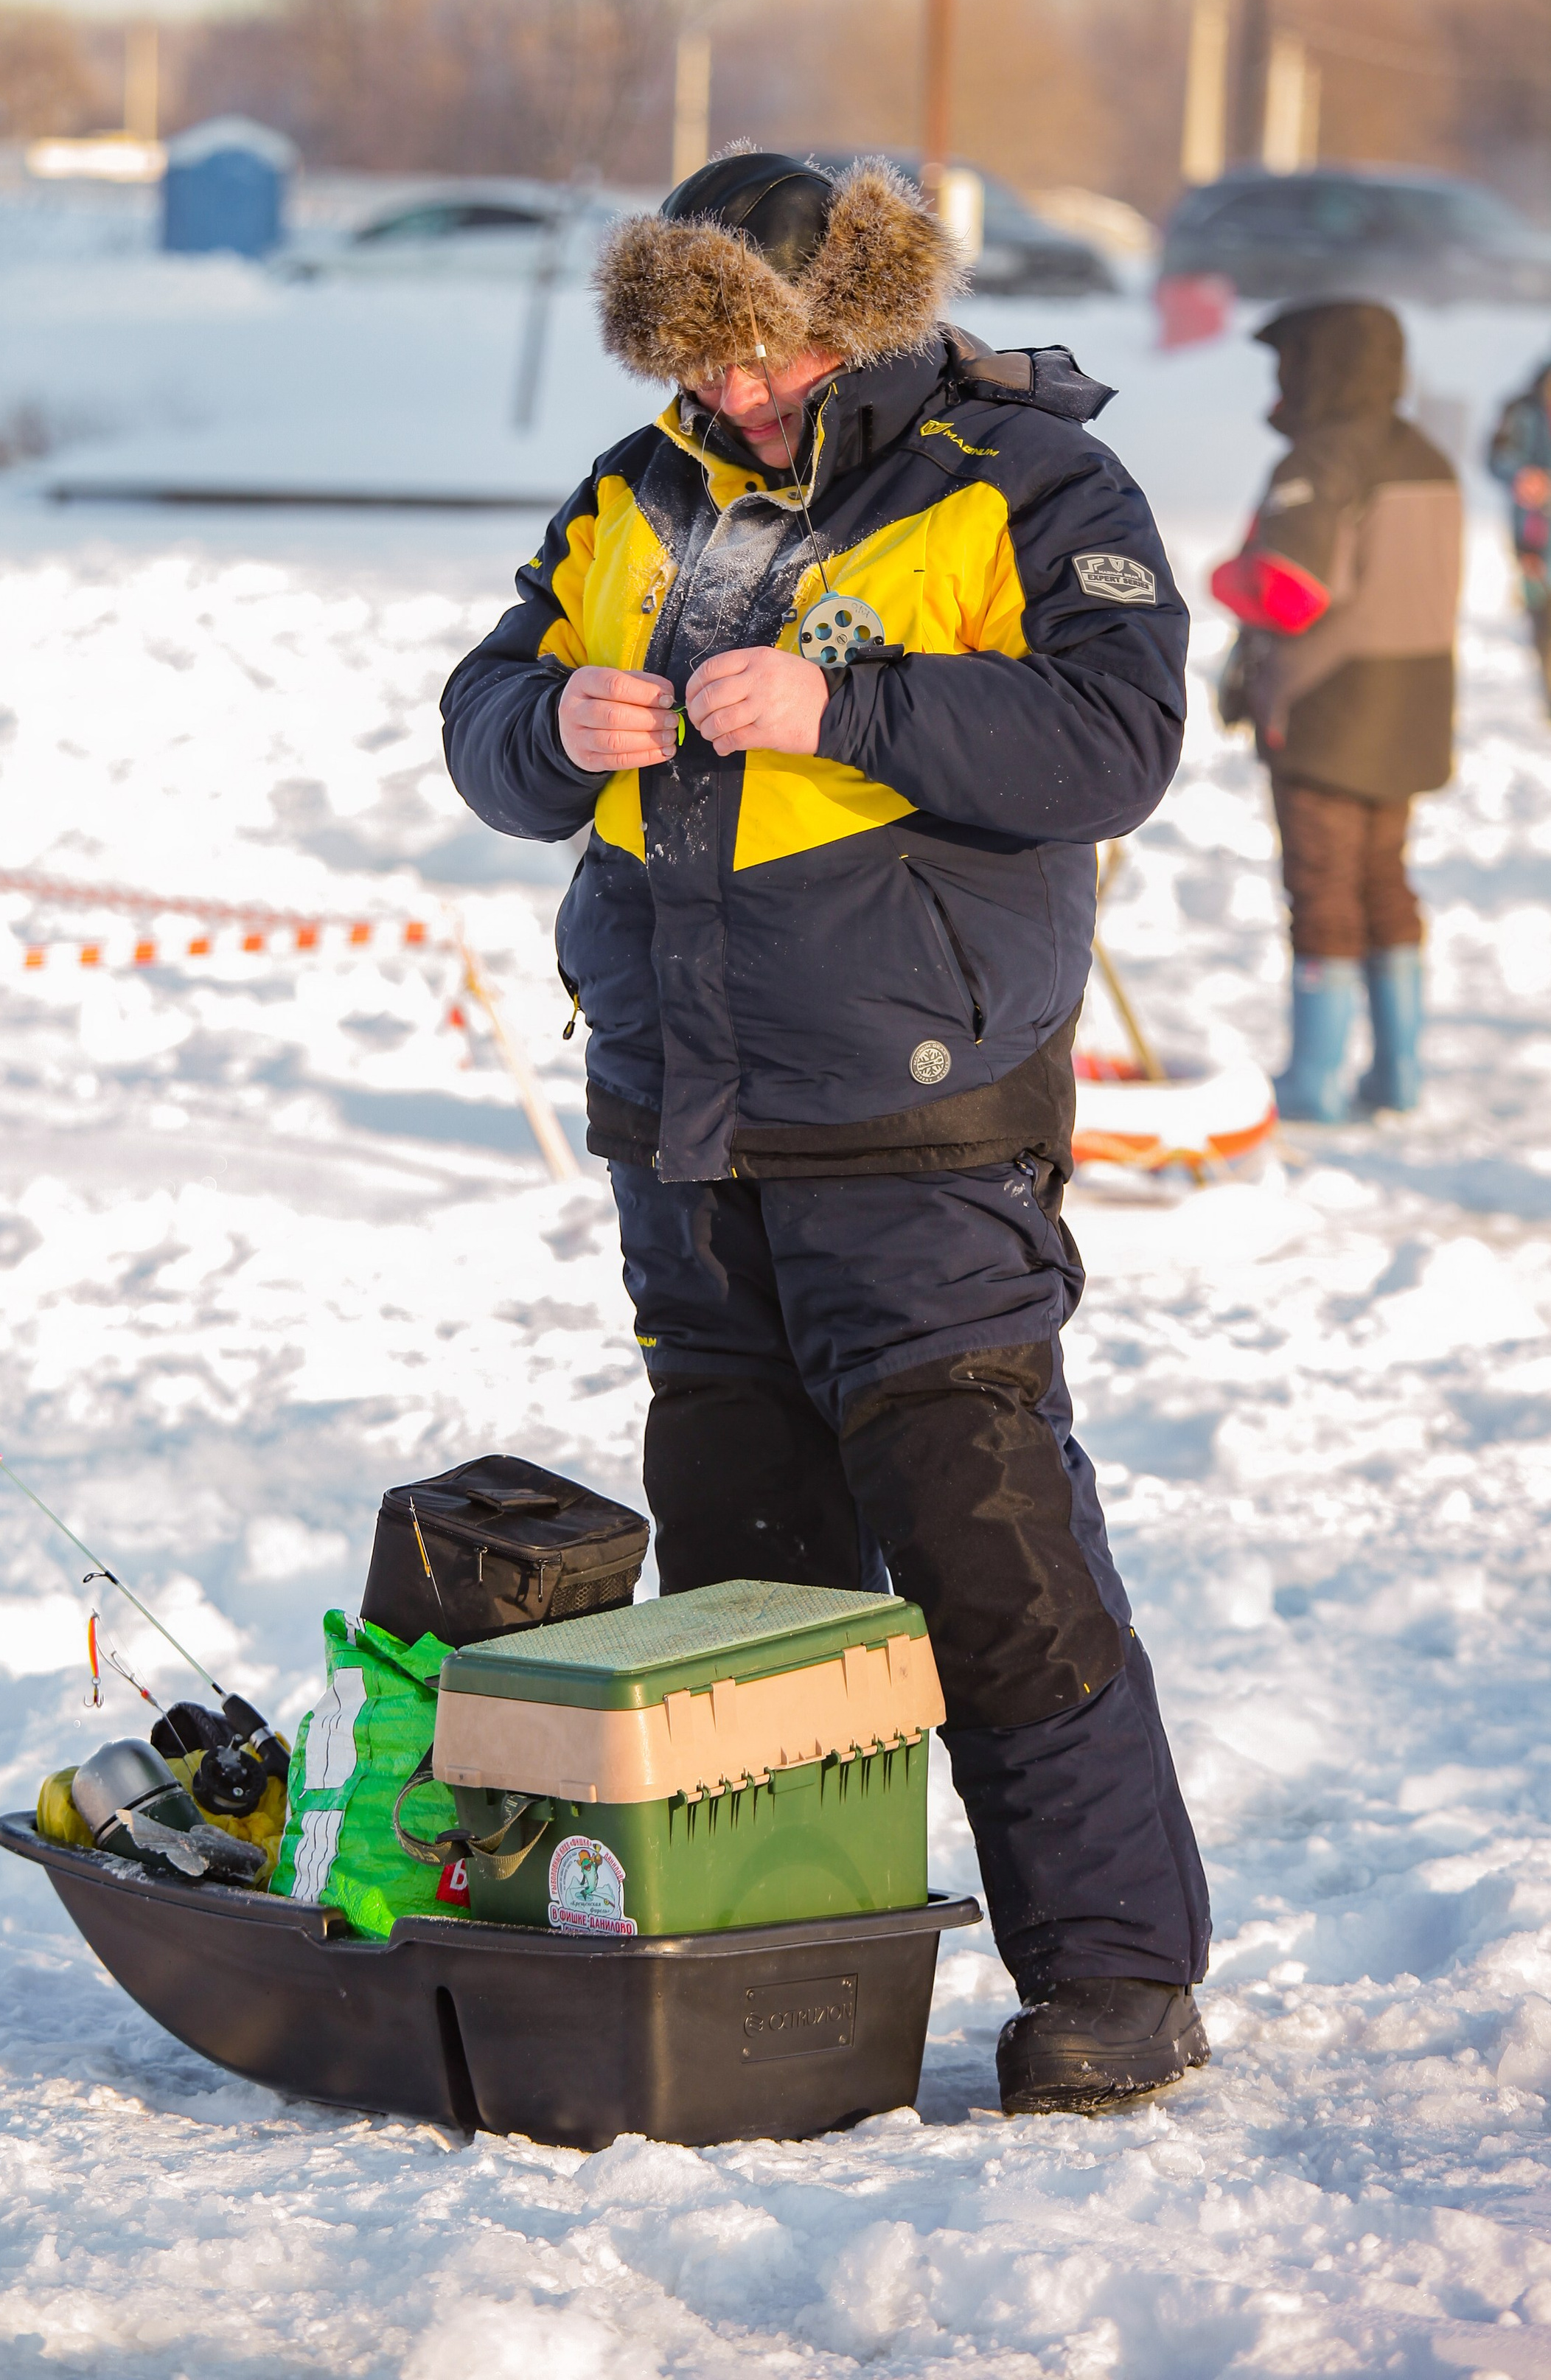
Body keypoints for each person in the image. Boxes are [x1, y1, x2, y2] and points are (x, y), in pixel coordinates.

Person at [441, 149, 1211, 2115]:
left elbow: (1113, 742)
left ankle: (1116, 1977)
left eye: (768, 356)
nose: (740, 400)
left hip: (922, 1124)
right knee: (743, 1596)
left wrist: (851, 708)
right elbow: (485, 706)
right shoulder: (633, 490)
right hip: (682, 1128)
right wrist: (553, 731)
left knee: (995, 1556)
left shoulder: (1024, 478)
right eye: (701, 367)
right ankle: (768, 1978)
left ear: (852, 320)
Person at [1212, 302, 1460, 1122]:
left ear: (1318, 368)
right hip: (1415, 702)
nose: (1278, 384)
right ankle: (1400, 1075)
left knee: (1320, 885)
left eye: (1288, 365)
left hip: (1328, 705)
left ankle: (1314, 1081)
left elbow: (1287, 591)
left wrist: (1225, 576)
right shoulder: (1426, 453)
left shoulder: (1324, 457)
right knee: (1384, 880)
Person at [1486, 352, 1551, 714]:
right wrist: (1520, 475)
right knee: (1544, 624)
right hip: (1535, 539)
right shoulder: (1520, 410)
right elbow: (1496, 457)